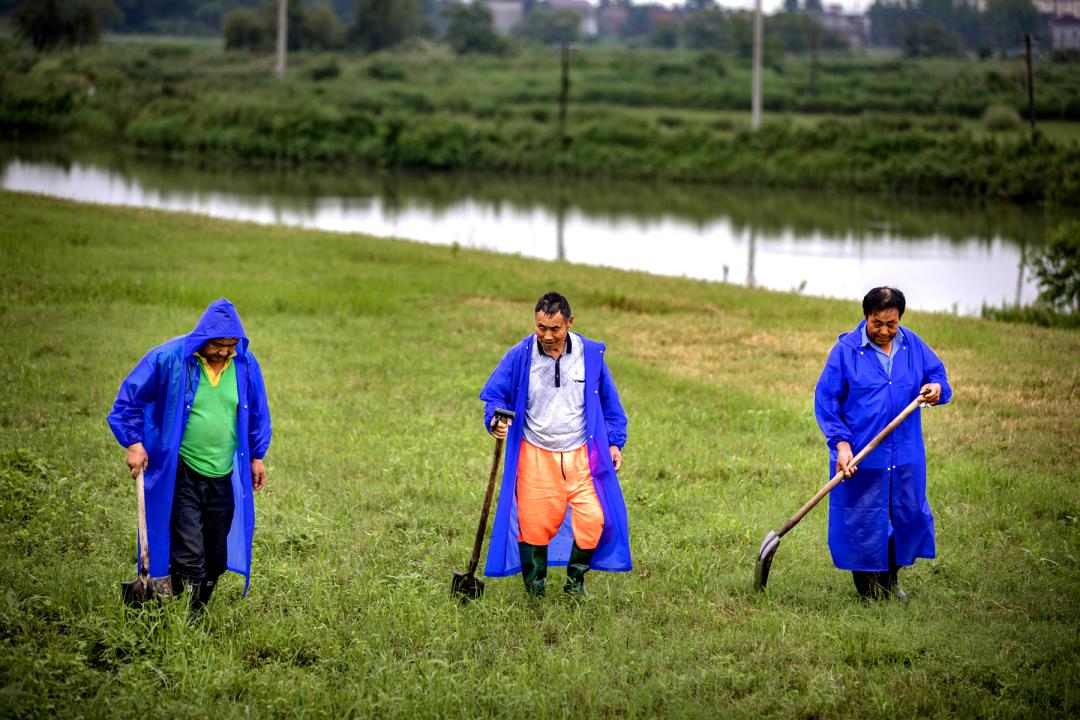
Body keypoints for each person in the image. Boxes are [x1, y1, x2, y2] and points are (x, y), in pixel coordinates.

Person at [107, 298, 272, 616]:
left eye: (231, 344)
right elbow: (128, 400)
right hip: (182, 471)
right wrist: (134, 443)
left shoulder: (245, 365)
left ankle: (192, 606)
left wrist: (256, 456)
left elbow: (257, 412)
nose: (225, 351)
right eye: (219, 344)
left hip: (222, 474)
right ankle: (186, 619)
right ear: (203, 338)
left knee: (216, 558)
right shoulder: (170, 358)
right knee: (190, 557)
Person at [479, 292, 631, 598]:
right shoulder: (520, 355)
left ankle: (576, 585)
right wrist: (495, 421)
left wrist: (614, 443)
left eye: (555, 329)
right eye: (541, 328)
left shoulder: (591, 355)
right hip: (536, 453)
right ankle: (535, 591)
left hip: (582, 455)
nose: (547, 336)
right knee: (534, 525)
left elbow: (611, 405)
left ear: (570, 323)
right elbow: (494, 394)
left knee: (594, 518)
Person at [814, 287, 951, 600]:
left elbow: (939, 377)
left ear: (899, 318)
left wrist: (935, 388)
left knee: (906, 515)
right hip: (862, 454)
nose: (885, 331)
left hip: (905, 454)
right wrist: (841, 445)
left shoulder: (912, 344)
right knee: (861, 519)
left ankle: (889, 581)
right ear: (866, 317)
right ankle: (867, 589)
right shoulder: (846, 351)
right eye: (878, 324)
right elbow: (826, 400)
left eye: (891, 324)